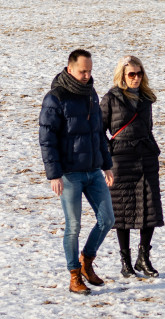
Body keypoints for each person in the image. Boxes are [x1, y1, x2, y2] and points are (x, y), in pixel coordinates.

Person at [39, 49, 115, 295]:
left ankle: (87, 261)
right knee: (73, 226)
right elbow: (47, 138)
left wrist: (106, 164)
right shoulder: (55, 98)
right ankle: (74, 275)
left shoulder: (91, 94)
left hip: (93, 171)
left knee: (108, 220)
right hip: (70, 174)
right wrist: (53, 174)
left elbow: (97, 133)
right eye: (83, 71)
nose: (87, 75)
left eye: (90, 71)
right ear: (70, 69)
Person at [101, 56, 164, 278]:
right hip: (121, 159)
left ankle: (143, 258)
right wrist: (109, 153)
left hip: (146, 157)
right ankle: (125, 261)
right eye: (131, 74)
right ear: (122, 75)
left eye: (139, 74)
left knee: (150, 208)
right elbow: (99, 130)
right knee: (123, 210)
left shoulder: (147, 98)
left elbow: (148, 127)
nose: (136, 78)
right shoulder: (111, 98)